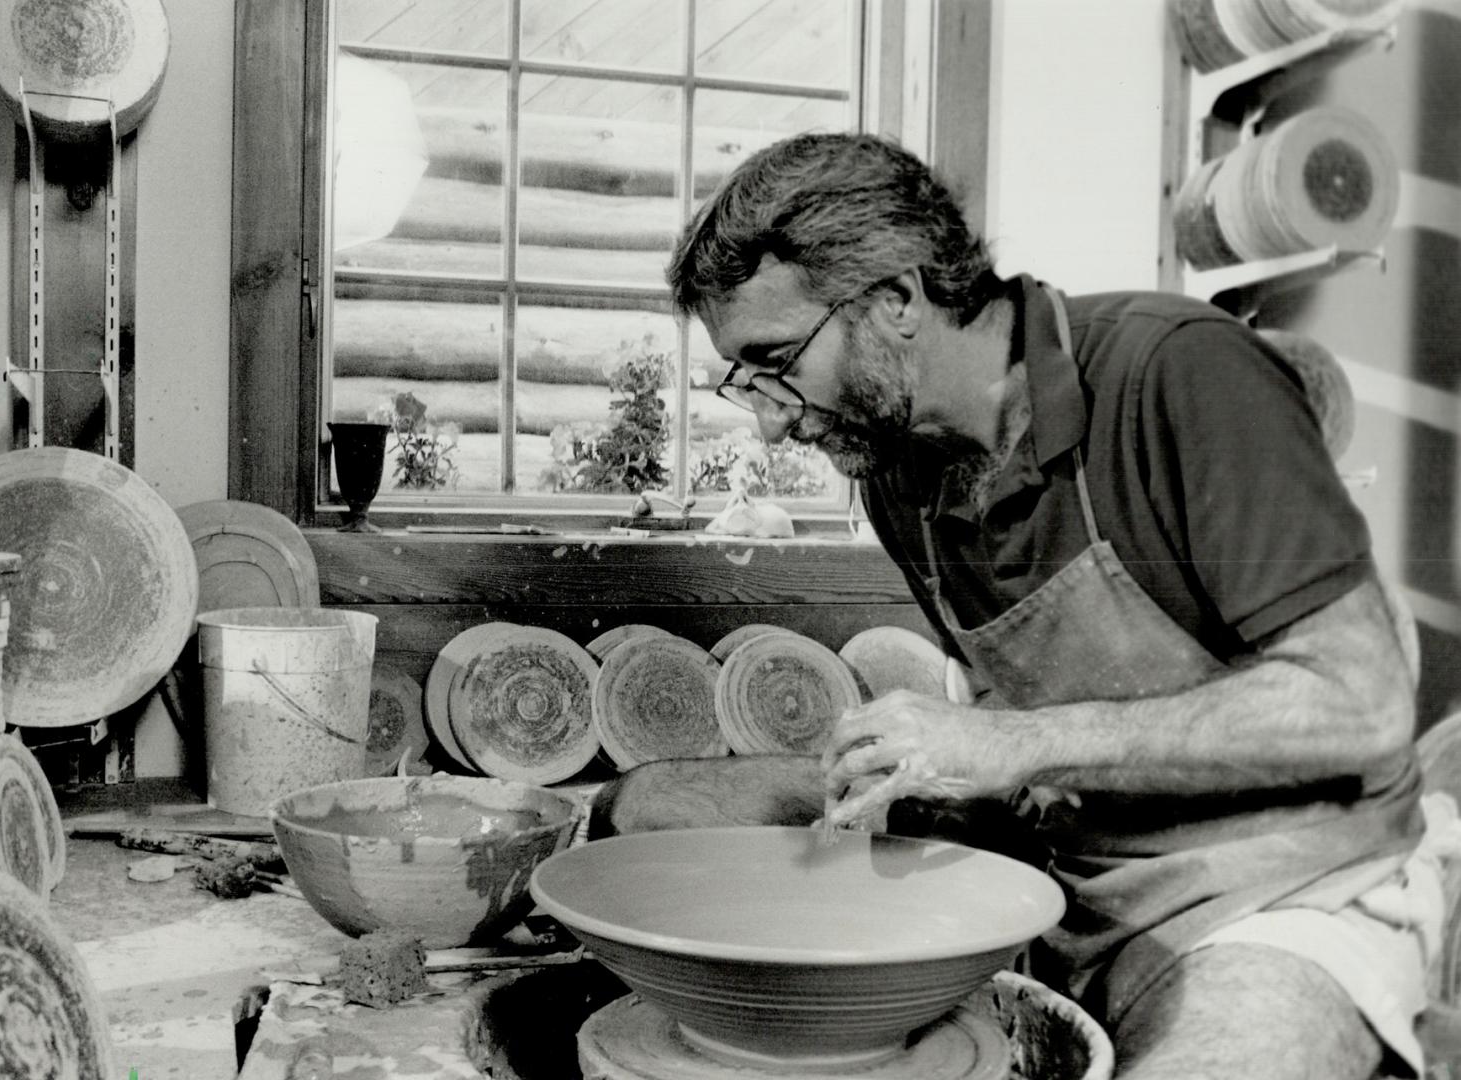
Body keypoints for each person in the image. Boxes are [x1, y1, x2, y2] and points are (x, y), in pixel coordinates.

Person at [591, 132, 1447, 1080]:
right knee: (647, 810)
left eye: (776, 360)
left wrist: (1016, 746)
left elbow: (1361, 705)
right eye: (742, 379)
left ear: (896, 300)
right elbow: (1007, 737)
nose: (770, 417)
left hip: (1285, 889)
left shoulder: (1178, 372)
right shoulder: (895, 470)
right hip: (1062, 868)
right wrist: (942, 768)